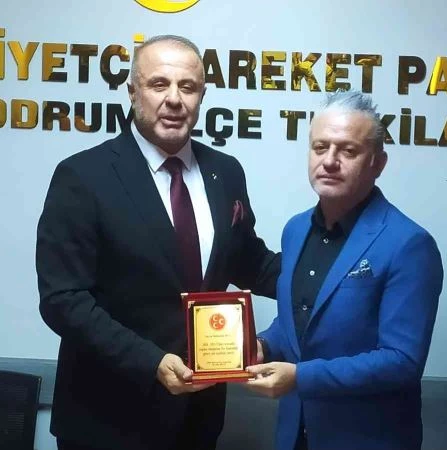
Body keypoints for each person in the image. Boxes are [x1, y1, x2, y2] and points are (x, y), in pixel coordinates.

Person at [36, 35, 280, 450]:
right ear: (133, 92)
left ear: (202, 96)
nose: (174, 99)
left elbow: (248, 262)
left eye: (187, 87)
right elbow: (63, 300)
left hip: (199, 418)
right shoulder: (83, 176)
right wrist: (151, 362)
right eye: (158, 84)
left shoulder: (225, 172)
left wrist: (324, 276)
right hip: (106, 422)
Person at [244, 90, 443, 450]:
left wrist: (301, 377)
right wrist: (263, 345)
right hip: (294, 435)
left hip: (365, 439)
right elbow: (298, 323)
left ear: (377, 163)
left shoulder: (409, 244)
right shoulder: (295, 230)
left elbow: (401, 361)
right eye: (320, 147)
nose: (329, 161)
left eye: (348, 151)